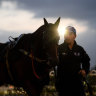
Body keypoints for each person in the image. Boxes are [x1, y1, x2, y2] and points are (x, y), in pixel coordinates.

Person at [55, 26, 90, 96]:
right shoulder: (59, 49)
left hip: (77, 83)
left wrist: (85, 70)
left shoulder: (80, 49)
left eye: (70, 34)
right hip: (63, 84)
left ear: (75, 36)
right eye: (66, 34)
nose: (67, 36)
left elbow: (86, 61)